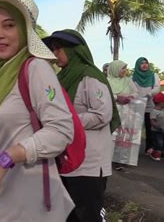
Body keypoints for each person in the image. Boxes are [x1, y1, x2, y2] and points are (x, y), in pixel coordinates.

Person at [0, 0, 75, 221]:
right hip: (7, 190)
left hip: (31, 195)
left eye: (8, 25)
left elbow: (61, 131)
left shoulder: (35, 69)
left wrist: (7, 157)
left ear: (23, 29)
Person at [42, 29, 120, 222]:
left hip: (90, 161)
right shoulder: (61, 78)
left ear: (74, 50)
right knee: (70, 213)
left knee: (89, 213)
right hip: (67, 159)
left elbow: (102, 114)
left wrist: (67, 118)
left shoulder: (90, 77)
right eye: (53, 50)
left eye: (58, 49)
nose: (55, 55)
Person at [107, 60, 139, 170]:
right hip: (113, 111)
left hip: (127, 111)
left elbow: (135, 92)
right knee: (113, 135)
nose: (124, 71)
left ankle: (120, 159)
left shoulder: (128, 81)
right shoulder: (107, 81)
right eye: (122, 68)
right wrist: (117, 97)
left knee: (125, 135)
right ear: (115, 69)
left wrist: (130, 97)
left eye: (125, 68)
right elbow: (106, 94)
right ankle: (108, 159)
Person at [133, 57, 160, 155]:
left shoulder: (153, 75)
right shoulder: (133, 77)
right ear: (138, 65)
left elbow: (157, 88)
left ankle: (150, 148)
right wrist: (138, 97)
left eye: (146, 63)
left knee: (150, 128)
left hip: (149, 106)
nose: (144, 65)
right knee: (136, 129)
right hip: (137, 106)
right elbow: (132, 90)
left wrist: (149, 93)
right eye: (142, 63)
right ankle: (133, 150)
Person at [149, 92, 164, 161]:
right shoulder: (154, 111)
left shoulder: (162, 111)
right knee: (159, 142)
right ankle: (156, 153)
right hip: (157, 131)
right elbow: (152, 120)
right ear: (160, 102)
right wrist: (156, 125)